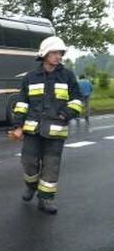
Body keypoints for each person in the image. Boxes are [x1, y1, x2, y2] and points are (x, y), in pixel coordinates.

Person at [11, 36, 82, 214]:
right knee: (28, 162)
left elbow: (77, 100)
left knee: (51, 166)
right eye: (55, 52)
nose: (59, 56)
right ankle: (31, 185)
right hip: (32, 130)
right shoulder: (31, 77)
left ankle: (46, 199)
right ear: (44, 54)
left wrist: (66, 113)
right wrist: (18, 126)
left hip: (56, 131)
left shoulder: (67, 76)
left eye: (61, 53)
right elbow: (22, 103)